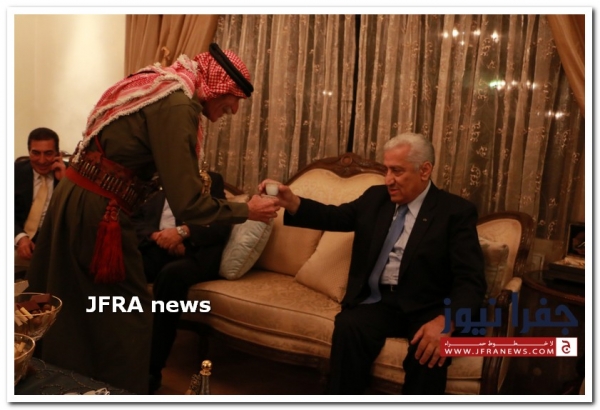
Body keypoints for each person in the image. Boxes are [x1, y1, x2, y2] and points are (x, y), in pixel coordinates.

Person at [27, 43, 279, 394]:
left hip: (80, 197)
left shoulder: (165, 84)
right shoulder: (178, 104)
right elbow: (189, 204)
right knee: (128, 315)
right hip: (99, 211)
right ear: (217, 85)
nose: (234, 109)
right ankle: (118, 393)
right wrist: (247, 210)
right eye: (234, 98)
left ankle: (65, 386)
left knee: (74, 301)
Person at [259, 133, 487, 394]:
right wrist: (292, 202)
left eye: (397, 171)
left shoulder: (455, 212)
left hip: (429, 305)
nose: (388, 179)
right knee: (349, 326)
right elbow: (334, 216)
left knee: (428, 354)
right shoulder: (375, 198)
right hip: (380, 301)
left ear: (424, 170)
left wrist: (447, 322)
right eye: (387, 169)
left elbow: (471, 280)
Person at [131, 171, 231, 393]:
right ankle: (117, 357)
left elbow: (221, 222)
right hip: (156, 247)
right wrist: (158, 237)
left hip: (193, 253)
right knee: (122, 268)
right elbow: (134, 219)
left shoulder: (210, 180)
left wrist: (183, 233)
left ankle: (152, 370)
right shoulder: (154, 181)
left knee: (170, 278)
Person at [14, 127, 66, 275]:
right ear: (29, 152)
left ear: (57, 154)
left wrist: (65, 182)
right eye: (36, 153)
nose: (42, 160)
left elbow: (74, 217)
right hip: (16, 240)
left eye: (48, 153)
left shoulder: (69, 175)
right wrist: (20, 238)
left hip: (54, 246)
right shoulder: (13, 172)